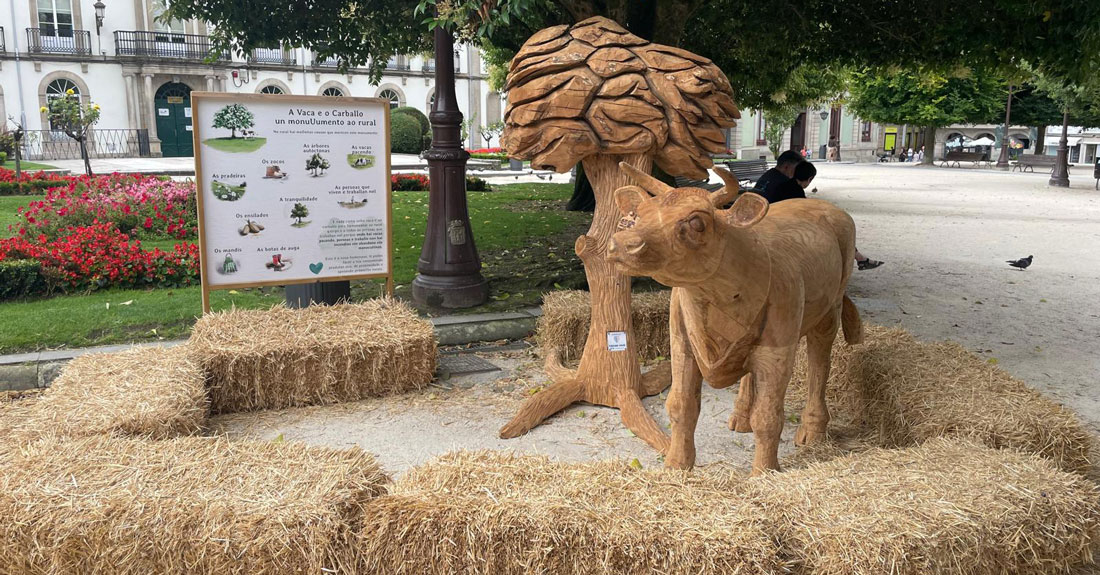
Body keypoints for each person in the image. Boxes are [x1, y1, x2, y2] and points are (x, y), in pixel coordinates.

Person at [757, 161, 884, 270]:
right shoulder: (796, 191)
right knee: (833, 231)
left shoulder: (786, 185)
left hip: (773, 222)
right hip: (785, 228)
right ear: (810, 179)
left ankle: (860, 258)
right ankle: (859, 259)